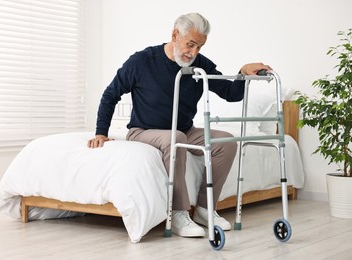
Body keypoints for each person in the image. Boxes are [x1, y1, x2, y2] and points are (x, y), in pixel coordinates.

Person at [88, 13, 272, 238]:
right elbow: (110, 94)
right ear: (175, 35)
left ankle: (205, 209)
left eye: (199, 47)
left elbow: (230, 93)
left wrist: (243, 74)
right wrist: (101, 132)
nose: (193, 53)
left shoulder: (199, 64)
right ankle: (177, 212)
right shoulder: (142, 61)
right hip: (143, 131)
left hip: (184, 129)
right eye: (190, 44)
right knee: (175, 138)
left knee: (226, 142)